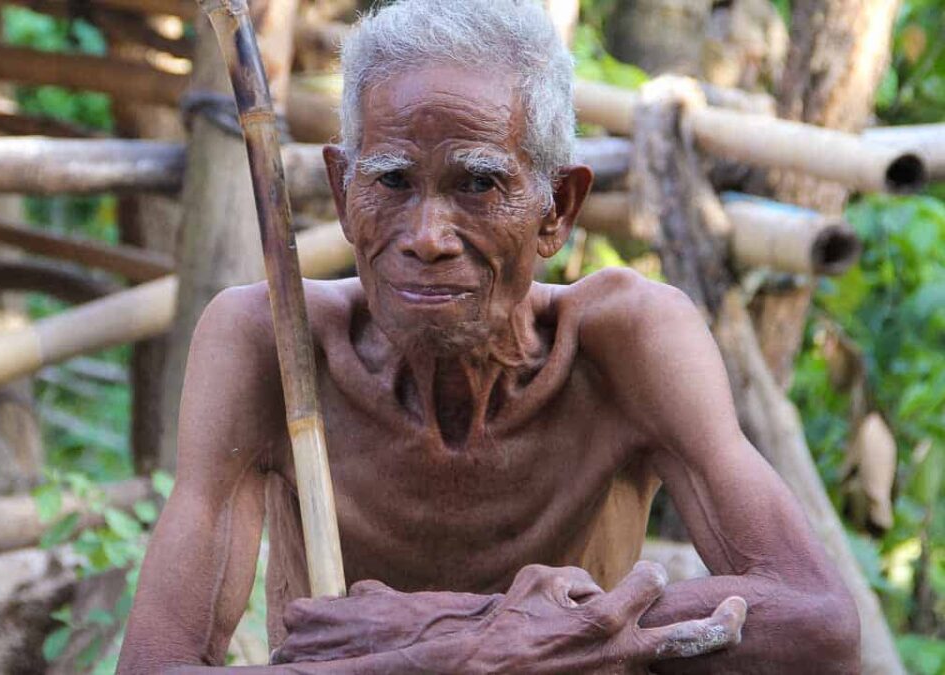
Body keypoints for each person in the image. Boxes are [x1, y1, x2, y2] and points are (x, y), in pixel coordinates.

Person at [119, 0, 858, 672]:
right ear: (344, 194)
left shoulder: (625, 343)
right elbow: (155, 664)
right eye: (393, 181)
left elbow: (819, 622)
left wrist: (460, 632)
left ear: (557, 209)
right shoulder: (271, 345)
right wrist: (479, 641)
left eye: (478, 184)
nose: (429, 237)